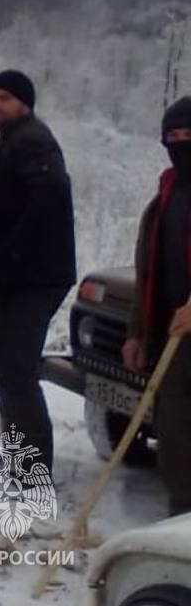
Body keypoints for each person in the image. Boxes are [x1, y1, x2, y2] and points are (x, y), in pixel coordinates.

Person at [0, 69, 76, 476]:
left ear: (24, 104)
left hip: (31, 276)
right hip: (16, 275)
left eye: (5, 98)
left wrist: (11, 257)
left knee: (14, 367)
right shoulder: (15, 142)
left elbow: (48, 204)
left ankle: (31, 470)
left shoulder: (32, 142)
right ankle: (20, 455)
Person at [122, 96, 191, 517]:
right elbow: (146, 272)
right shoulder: (163, 199)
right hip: (171, 338)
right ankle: (180, 526)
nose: (180, 143)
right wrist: (136, 331)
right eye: (173, 136)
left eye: (189, 135)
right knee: (176, 439)